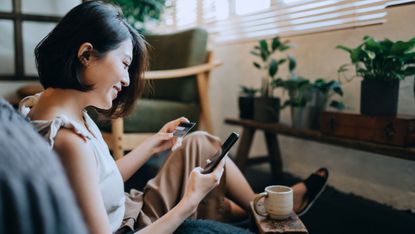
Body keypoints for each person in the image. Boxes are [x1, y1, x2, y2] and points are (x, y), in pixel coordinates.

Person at [19, 1, 328, 234]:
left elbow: (99, 179)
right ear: (86, 55)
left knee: (199, 142)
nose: (126, 80)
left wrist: (153, 144)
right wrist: (189, 202)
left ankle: (251, 207)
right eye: (125, 63)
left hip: (125, 205)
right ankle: (262, 213)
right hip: (131, 224)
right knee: (202, 163)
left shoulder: (48, 108)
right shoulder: (68, 138)